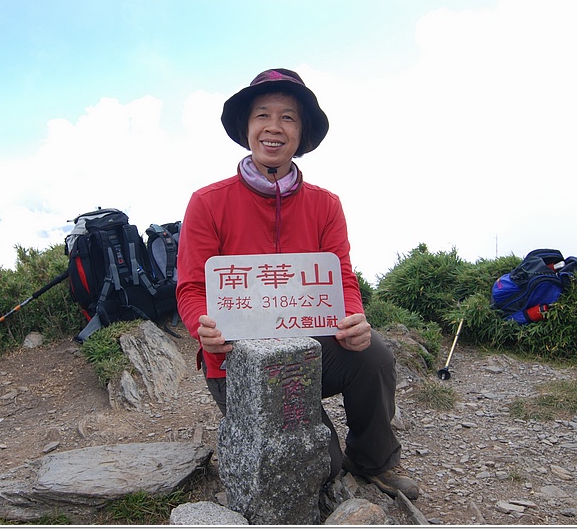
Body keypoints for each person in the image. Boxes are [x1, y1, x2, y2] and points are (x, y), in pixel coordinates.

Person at [176, 68, 420, 500]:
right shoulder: (208, 202)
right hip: (235, 360)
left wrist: (353, 319)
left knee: (376, 356)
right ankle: (334, 463)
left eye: (288, 117)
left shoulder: (325, 205)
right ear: (247, 128)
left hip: (310, 347)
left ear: (301, 131)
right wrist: (203, 329)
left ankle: (374, 461)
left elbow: (341, 276)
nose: (273, 127)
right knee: (319, 466)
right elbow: (192, 288)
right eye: (262, 115)